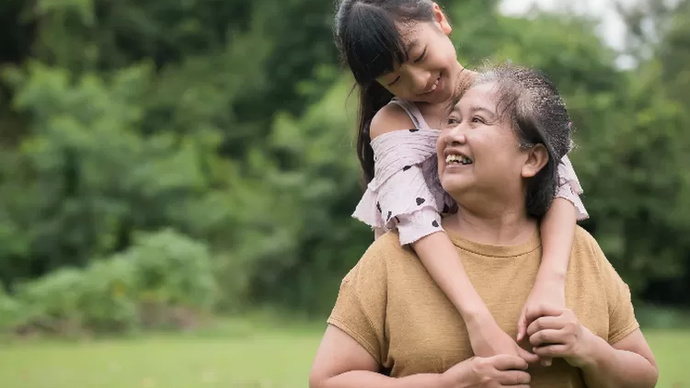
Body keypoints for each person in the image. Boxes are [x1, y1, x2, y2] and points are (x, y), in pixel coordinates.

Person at [309, 64, 658, 388]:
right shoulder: (392, 255)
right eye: (452, 121)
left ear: (532, 158)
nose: (452, 135)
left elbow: (644, 375)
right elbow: (327, 381)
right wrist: (449, 383)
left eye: (477, 121)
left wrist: (590, 350)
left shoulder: (578, 250)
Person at [334, 0, 588, 357]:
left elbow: (560, 187)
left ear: (439, 19)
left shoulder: (507, 98)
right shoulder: (394, 122)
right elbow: (417, 220)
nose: (420, 81)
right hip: (426, 291)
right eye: (394, 79)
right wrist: (477, 319)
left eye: (419, 55)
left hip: (509, 266)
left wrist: (551, 280)